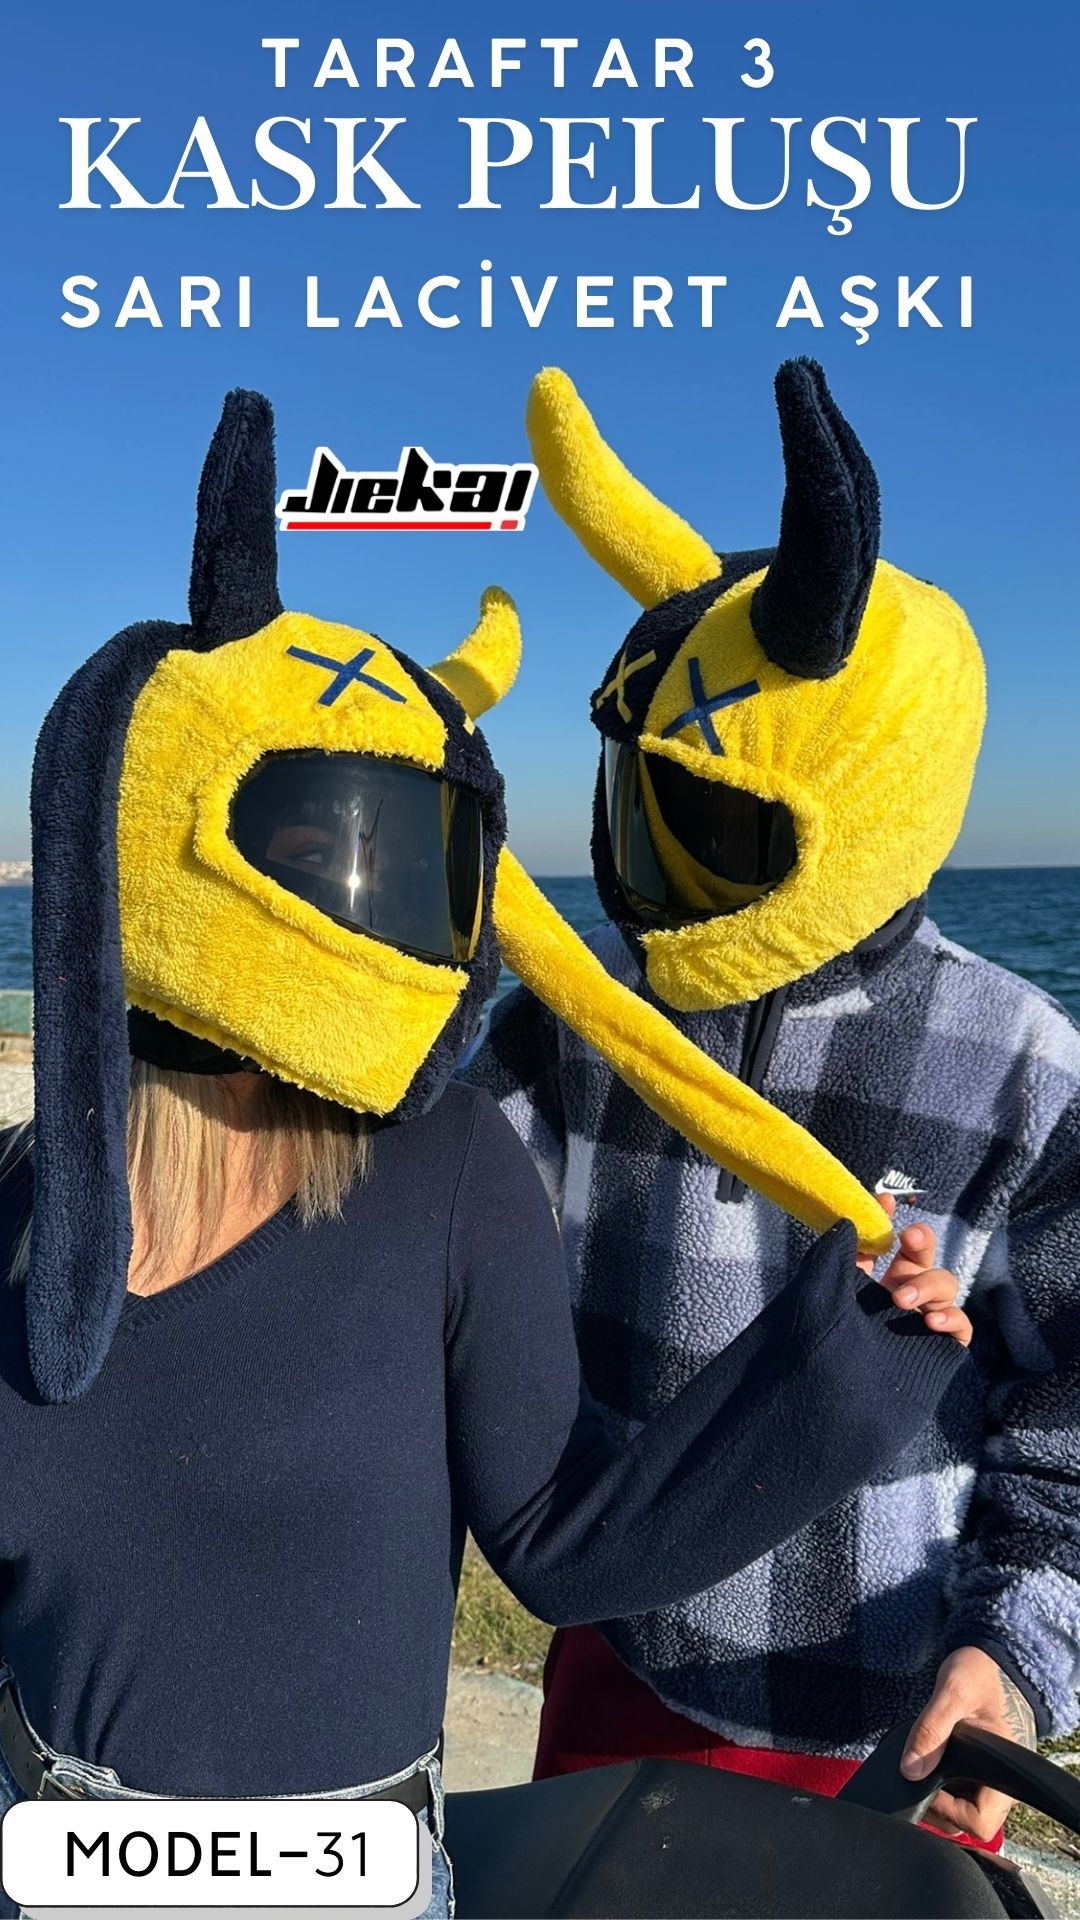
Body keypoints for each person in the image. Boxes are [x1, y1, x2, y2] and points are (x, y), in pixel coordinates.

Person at [0, 389, 971, 1920]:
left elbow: (566, 1545)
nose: (371, 898)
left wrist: (844, 1367)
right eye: (321, 848)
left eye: (403, 855)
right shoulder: (16, 1208)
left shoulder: (442, 1174)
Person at [466, 358, 1080, 1850]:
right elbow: (435, 1218)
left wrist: (1014, 1661)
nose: (652, 877)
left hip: (897, 1720)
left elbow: (1067, 1423)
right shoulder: (576, 1019)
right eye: (645, 808)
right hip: (615, 1643)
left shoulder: (1021, 1062)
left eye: (710, 822)